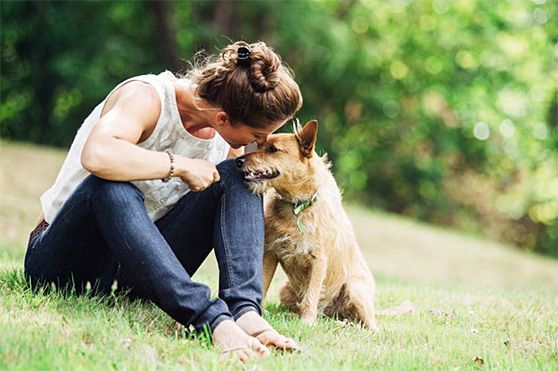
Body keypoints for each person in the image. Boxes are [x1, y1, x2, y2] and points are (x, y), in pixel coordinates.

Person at [24, 41, 303, 361]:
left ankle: (244, 311)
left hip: (137, 270)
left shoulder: (225, 141)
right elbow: (97, 153)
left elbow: (232, 205)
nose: (259, 145)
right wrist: (179, 165)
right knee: (111, 185)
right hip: (67, 261)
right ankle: (211, 320)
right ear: (224, 118)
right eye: (257, 136)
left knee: (240, 177)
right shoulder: (147, 97)